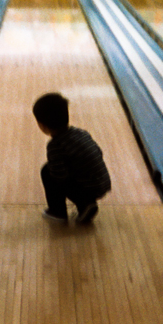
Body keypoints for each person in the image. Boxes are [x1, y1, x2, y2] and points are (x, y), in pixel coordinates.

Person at [33, 92, 111, 225]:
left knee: (47, 172)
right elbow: (98, 152)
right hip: (103, 182)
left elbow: (59, 177)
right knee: (64, 169)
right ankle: (85, 205)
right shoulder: (80, 133)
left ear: (42, 125)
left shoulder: (55, 145)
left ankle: (59, 211)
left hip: (89, 187)